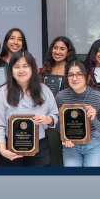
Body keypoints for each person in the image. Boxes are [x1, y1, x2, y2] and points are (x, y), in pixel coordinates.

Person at [0, 50, 59, 167]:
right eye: (16, 67)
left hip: (39, 148)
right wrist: (2, 150)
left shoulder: (45, 90)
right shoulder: (1, 93)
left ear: (32, 68)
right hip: (10, 148)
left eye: (25, 66)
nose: (21, 70)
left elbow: (55, 115)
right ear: (11, 69)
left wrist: (48, 119)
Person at [56, 60, 100, 167]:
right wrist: (65, 137)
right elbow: (59, 123)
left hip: (94, 143)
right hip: (71, 145)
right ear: (67, 78)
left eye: (79, 74)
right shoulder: (61, 97)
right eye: (70, 75)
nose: (74, 78)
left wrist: (94, 119)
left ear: (87, 77)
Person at [40, 36, 78, 167]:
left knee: (63, 156)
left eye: (62, 48)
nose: (58, 51)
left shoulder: (73, 70)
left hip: (66, 117)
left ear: (69, 52)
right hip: (48, 117)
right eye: (55, 48)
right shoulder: (45, 70)